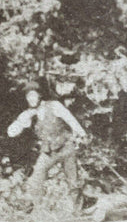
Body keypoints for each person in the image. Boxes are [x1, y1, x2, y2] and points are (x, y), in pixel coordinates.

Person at [7, 80, 87, 211]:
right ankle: (30, 209)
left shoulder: (54, 105)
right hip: (49, 152)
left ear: (39, 95)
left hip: (67, 147)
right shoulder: (29, 113)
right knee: (36, 176)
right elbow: (11, 132)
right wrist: (22, 120)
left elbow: (70, 119)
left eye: (33, 95)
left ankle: (78, 210)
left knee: (73, 181)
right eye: (28, 96)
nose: (31, 99)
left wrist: (82, 134)